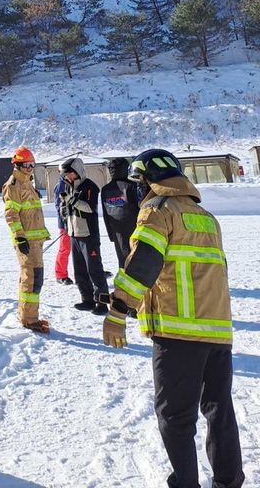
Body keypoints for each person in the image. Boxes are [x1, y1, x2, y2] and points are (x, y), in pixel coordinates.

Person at [102, 148, 244, 488]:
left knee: (175, 418)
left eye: (139, 181)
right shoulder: (205, 216)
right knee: (219, 412)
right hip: (218, 332)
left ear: (147, 181)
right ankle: (228, 482)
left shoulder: (157, 210)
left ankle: (185, 483)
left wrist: (118, 310)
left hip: (178, 332)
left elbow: (143, 264)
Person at [1, 146, 51, 332]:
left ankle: (28, 315)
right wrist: (20, 238)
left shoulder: (27, 183)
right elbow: (11, 215)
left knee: (33, 278)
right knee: (31, 279)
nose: (30, 168)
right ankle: (29, 319)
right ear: (18, 165)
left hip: (35, 243)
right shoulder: (13, 185)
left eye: (32, 164)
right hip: (26, 243)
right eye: (27, 164)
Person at [58, 156, 109, 314]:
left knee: (94, 270)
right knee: (79, 270)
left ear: (77, 171)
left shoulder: (89, 187)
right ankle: (87, 300)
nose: (68, 177)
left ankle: (102, 303)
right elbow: (68, 208)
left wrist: (72, 201)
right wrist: (64, 209)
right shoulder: (69, 187)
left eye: (70, 173)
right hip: (74, 234)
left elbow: (89, 208)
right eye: (66, 175)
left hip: (88, 235)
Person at [100, 156, 141, 268]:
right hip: (135, 228)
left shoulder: (105, 189)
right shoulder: (132, 186)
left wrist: (111, 234)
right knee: (136, 259)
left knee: (122, 260)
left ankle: (124, 283)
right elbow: (140, 208)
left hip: (116, 229)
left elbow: (105, 213)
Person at [53, 173, 73, 285]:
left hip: (76, 223)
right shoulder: (61, 186)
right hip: (65, 224)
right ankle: (61, 275)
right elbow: (59, 206)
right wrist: (65, 221)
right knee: (65, 248)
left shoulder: (74, 183)